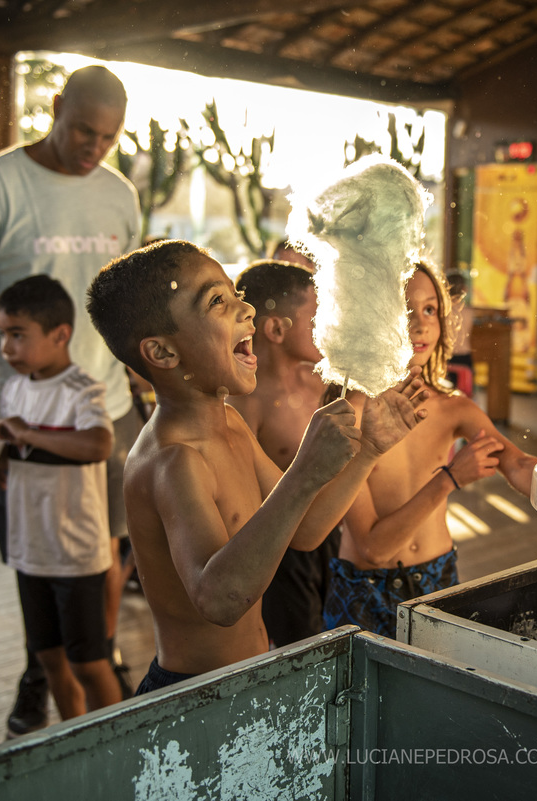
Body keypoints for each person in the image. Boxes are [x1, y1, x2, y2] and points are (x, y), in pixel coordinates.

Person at [85, 239, 426, 693]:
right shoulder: (173, 460)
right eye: (217, 301)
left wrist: (367, 451)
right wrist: (304, 471)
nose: (246, 308)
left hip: (249, 674)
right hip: (196, 692)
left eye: (234, 292)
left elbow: (305, 532)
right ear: (164, 353)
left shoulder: (228, 422)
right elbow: (219, 600)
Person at [0, 64, 143, 737]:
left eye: (108, 137)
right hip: (23, 416)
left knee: (110, 550)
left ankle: (96, 652)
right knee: (37, 557)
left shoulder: (119, 196)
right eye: (83, 129)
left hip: (107, 407)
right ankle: (44, 668)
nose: (94, 147)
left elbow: (123, 306)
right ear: (54, 108)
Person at [323, 260, 537, 638]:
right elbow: (374, 548)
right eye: (406, 311)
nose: (421, 324)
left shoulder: (454, 407)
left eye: (430, 310)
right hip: (365, 589)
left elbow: (519, 465)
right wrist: (450, 479)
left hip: (439, 578)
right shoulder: (351, 412)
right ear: (373, 317)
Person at [0, 275, 123, 723]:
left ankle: (116, 747)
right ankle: (73, 739)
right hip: (30, 551)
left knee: (90, 663)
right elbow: (0, 443)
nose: (7, 348)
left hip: (75, 553)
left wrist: (27, 433)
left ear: (60, 335)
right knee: (49, 658)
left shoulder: (81, 389)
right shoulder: (13, 390)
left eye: (17, 335)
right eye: (2, 336)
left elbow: (97, 445)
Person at [227, 259, 340, 647]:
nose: (328, 328)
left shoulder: (322, 384)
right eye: (316, 317)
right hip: (283, 551)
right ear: (276, 328)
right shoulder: (247, 403)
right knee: (301, 645)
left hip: (334, 532)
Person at [444, 271, 476, 396]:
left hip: (446, 358)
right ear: (464, 289)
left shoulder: (442, 310)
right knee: (465, 398)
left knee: (444, 397)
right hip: (464, 358)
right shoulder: (469, 311)